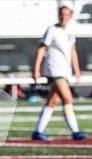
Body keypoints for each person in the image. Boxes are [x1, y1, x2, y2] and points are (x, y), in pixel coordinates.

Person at [32, 2, 87, 141]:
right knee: (67, 98)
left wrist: (77, 70)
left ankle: (37, 131)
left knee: (52, 101)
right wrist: (36, 69)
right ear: (58, 15)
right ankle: (75, 131)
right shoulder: (52, 30)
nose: (64, 17)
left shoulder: (69, 31)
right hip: (54, 69)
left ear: (70, 16)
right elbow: (41, 49)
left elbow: (73, 51)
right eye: (62, 15)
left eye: (67, 15)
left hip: (65, 70)